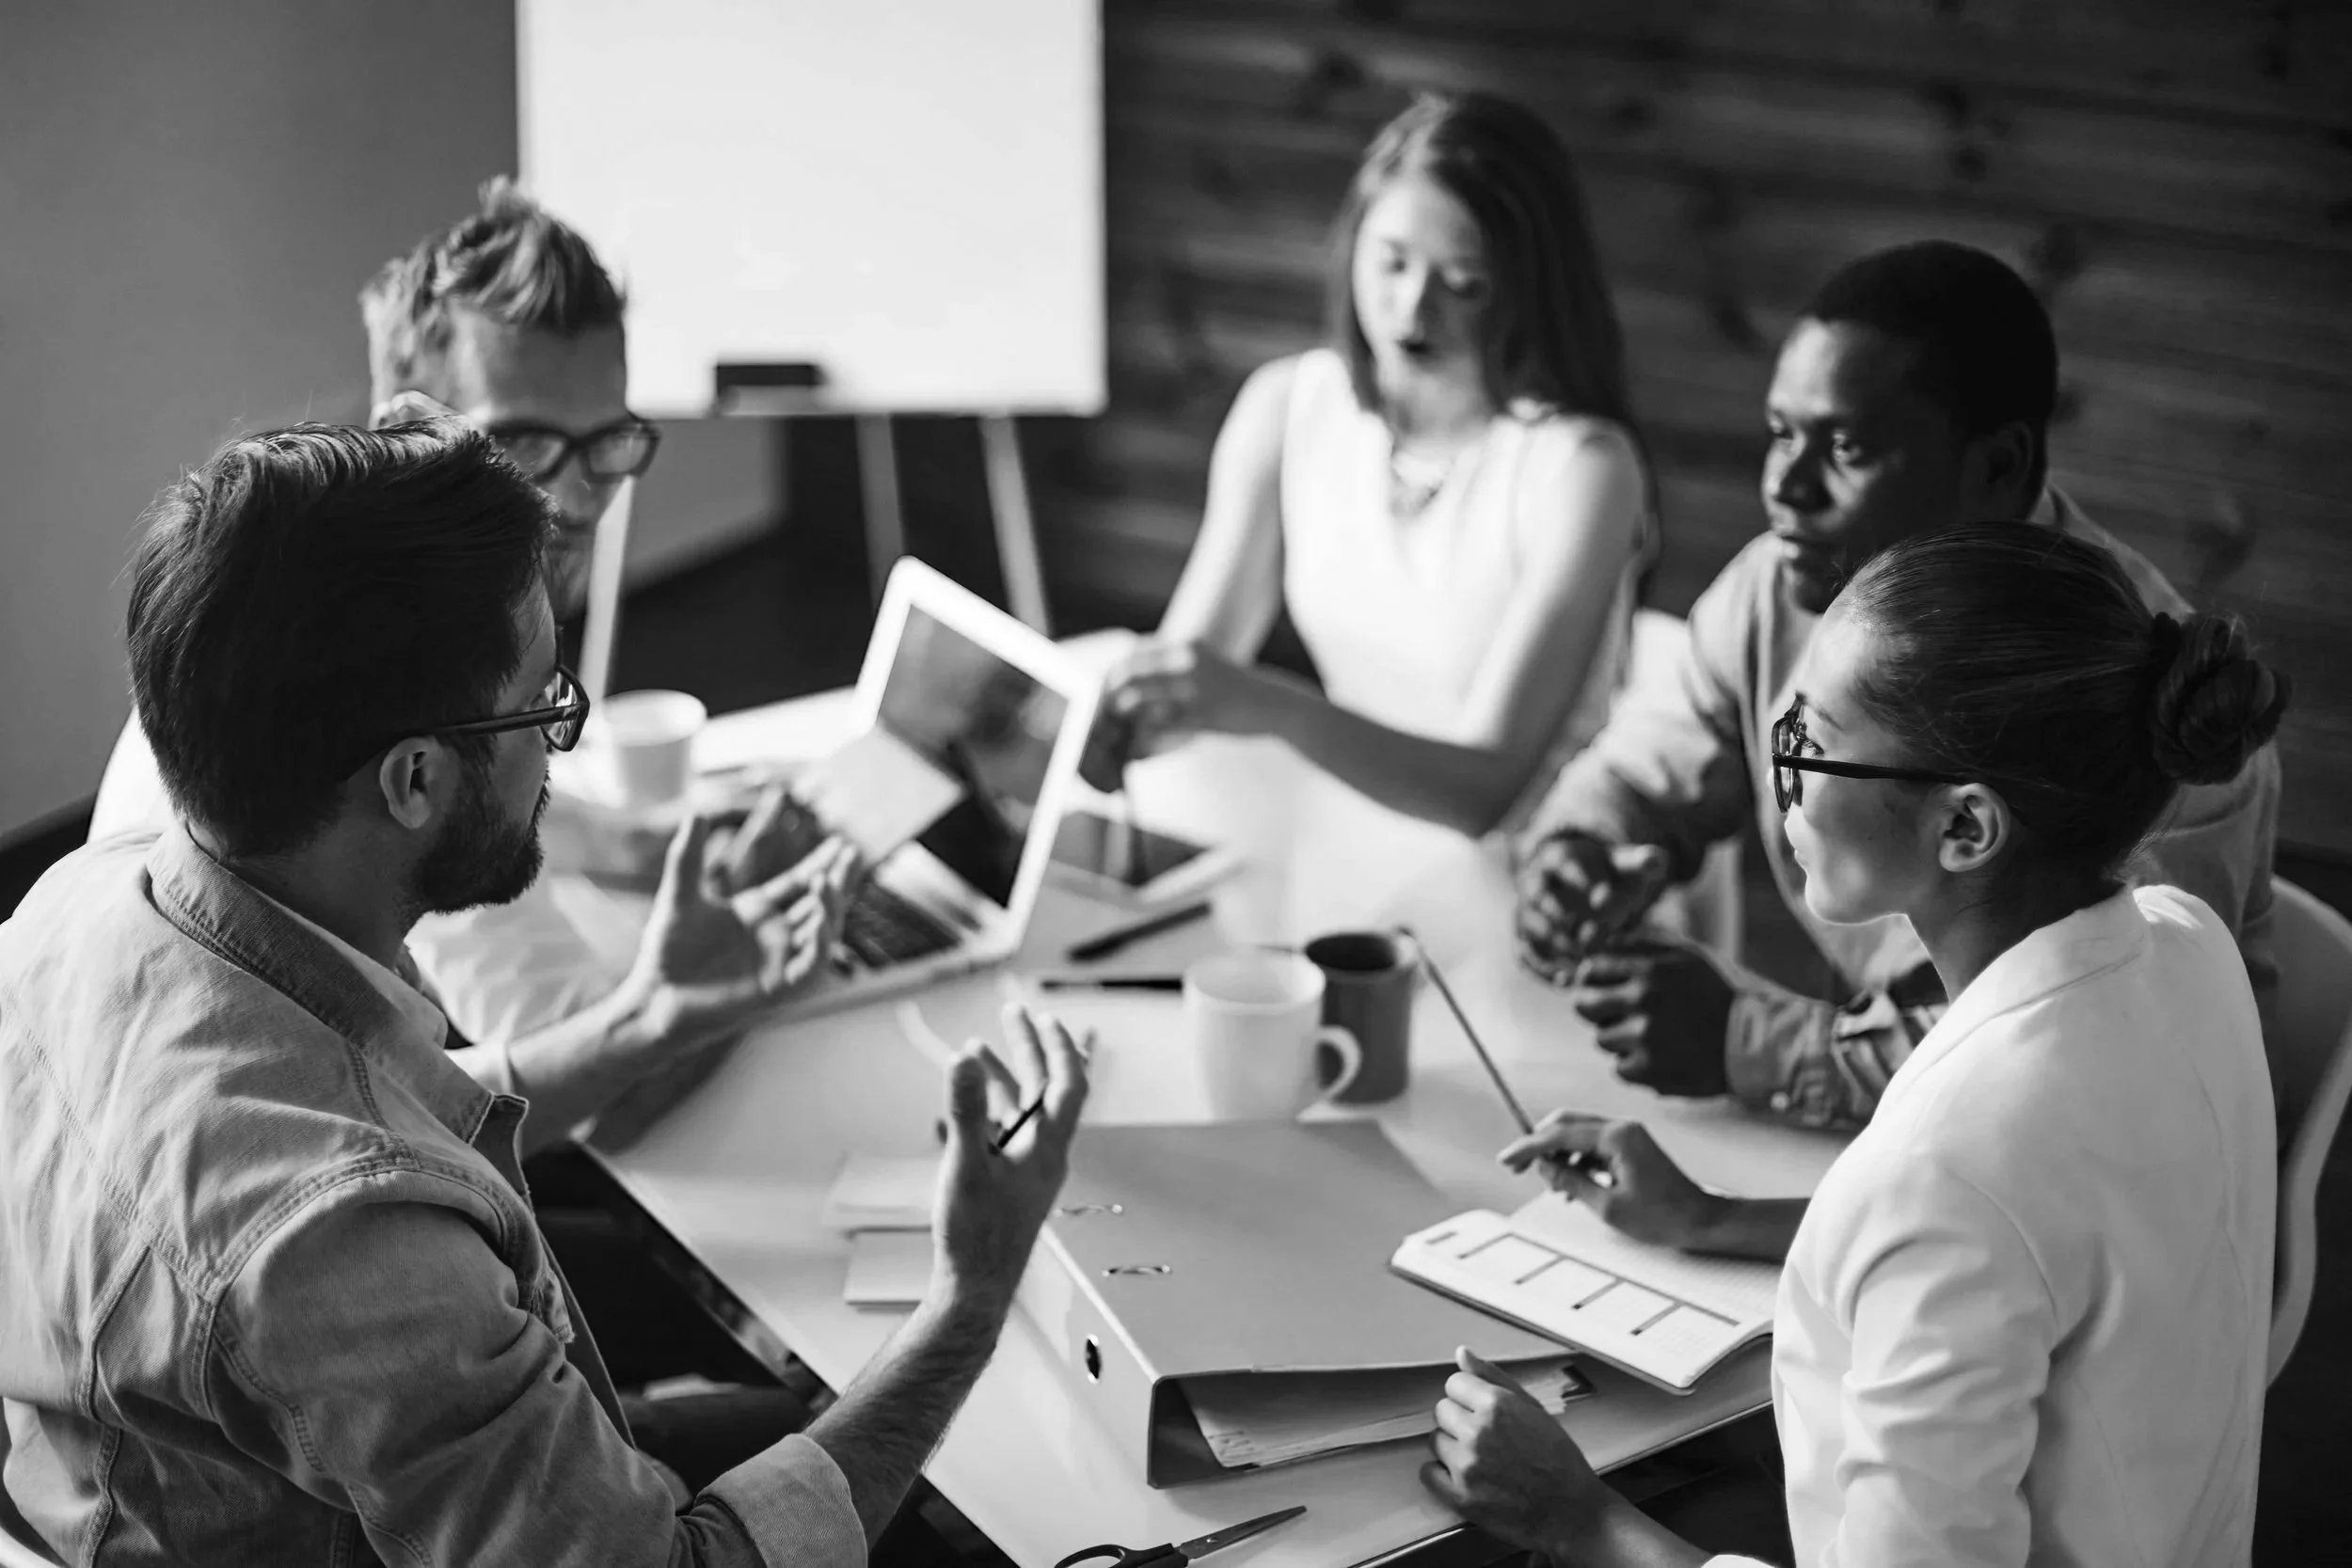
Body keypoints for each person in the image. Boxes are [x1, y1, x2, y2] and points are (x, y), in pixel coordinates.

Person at [0, 421, 1090, 1564]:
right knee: (967, 1501)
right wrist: (969, 1295)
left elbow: (337, 1120)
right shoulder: (349, 1250)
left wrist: (653, 1015)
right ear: (413, 778)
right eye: (544, 707)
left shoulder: (79, 905)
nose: (557, 750)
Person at [1429, 521, 2284, 1565]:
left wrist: (1579, 1517)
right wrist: (1708, 1213)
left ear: (1964, 828)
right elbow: (2032, 1258)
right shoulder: (2187, 946)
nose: (1779, 771)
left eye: (1809, 741)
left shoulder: (1945, 1166)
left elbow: (1967, 1216)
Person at [1515, 240, 2280, 1132]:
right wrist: (1576, 849)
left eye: (1845, 445)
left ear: (1998, 466)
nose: (1784, 487)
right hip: (1901, 1143)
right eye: (1779, 434)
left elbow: (2089, 1068)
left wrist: (1750, 1042)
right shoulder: (1776, 587)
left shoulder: (2148, 699)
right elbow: (1646, 763)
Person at [1093, 91, 1653, 837]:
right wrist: (1104, 720)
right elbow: (1192, 672)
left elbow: (1484, 789)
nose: (1413, 311)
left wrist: (1263, 705)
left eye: (1464, 283)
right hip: (1356, 838)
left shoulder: (1582, 469)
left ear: (1526, 286)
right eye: (1391, 262)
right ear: (1352, 240)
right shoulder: (1289, 406)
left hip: (1544, 872)